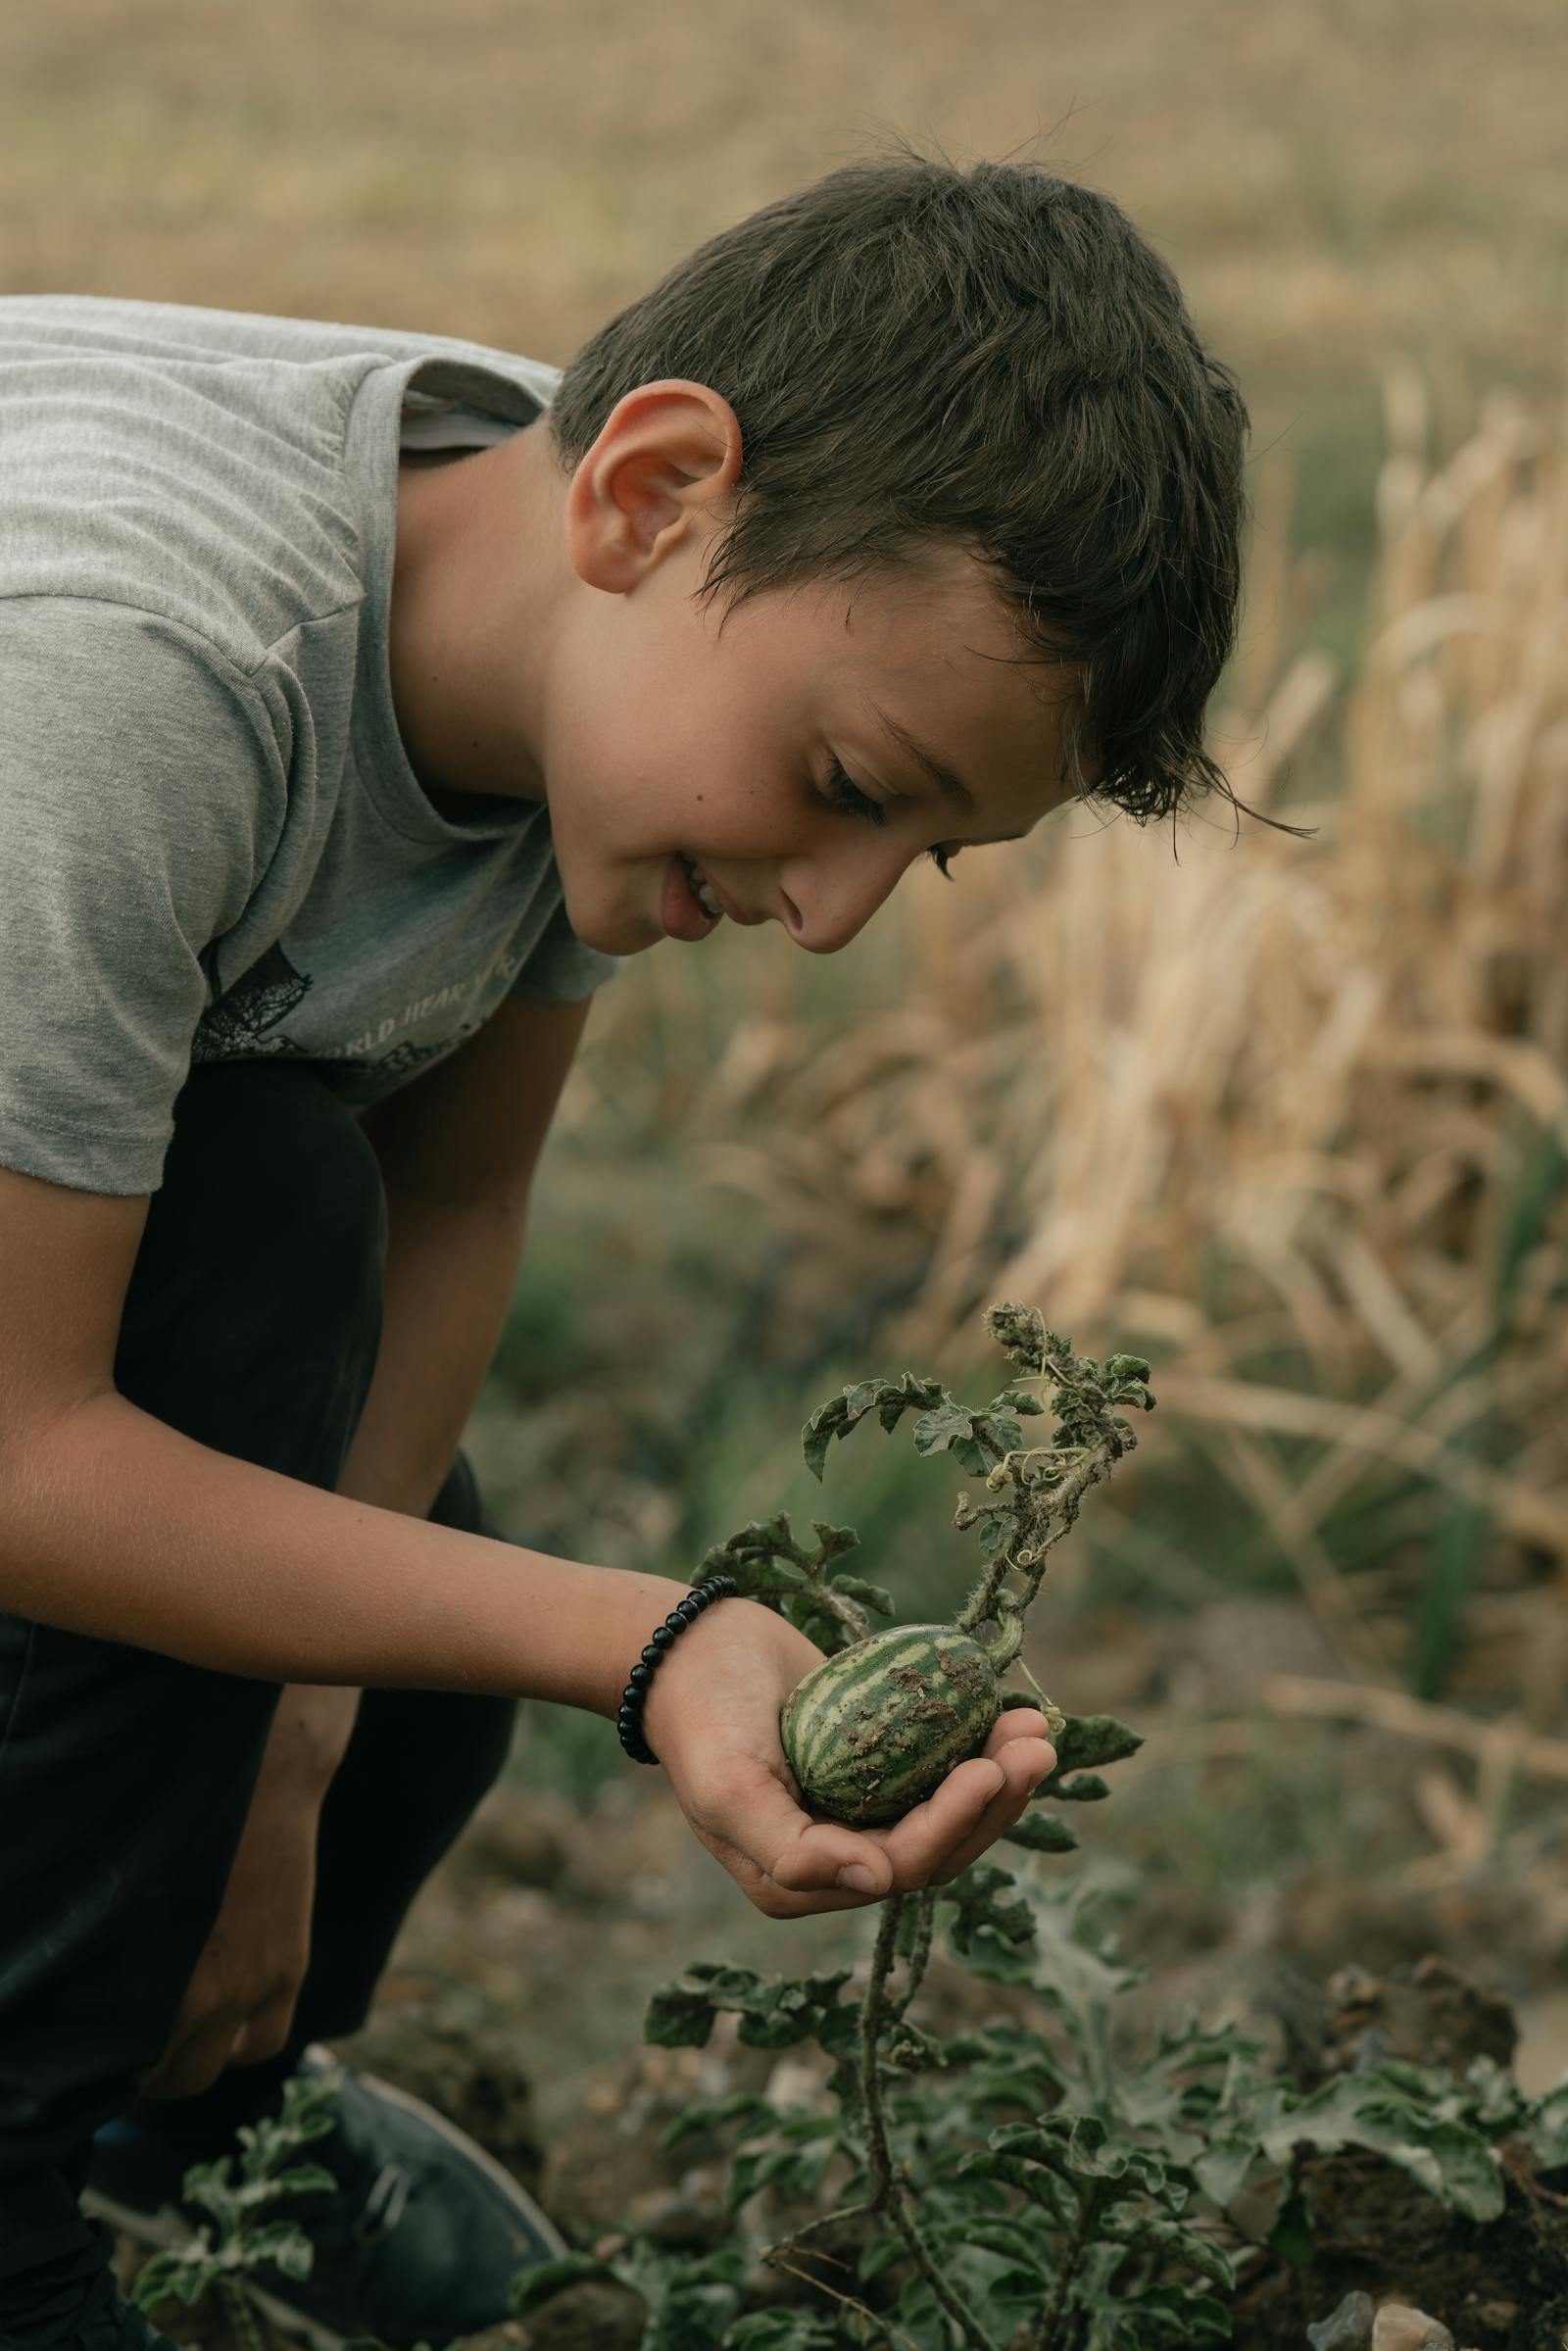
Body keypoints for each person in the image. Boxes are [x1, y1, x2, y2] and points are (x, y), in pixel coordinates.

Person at [0, 149, 1249, 2348]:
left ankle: (199, 2125)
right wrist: (654, 1643)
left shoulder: (572, 615)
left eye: (925, 859)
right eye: (854, 784)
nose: (838, 913)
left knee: (394, 1640)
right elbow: (19, 1450)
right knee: (264, 1240)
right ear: (653, 495)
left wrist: (289, 1740)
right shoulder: (126, 677)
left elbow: (454, 1198)